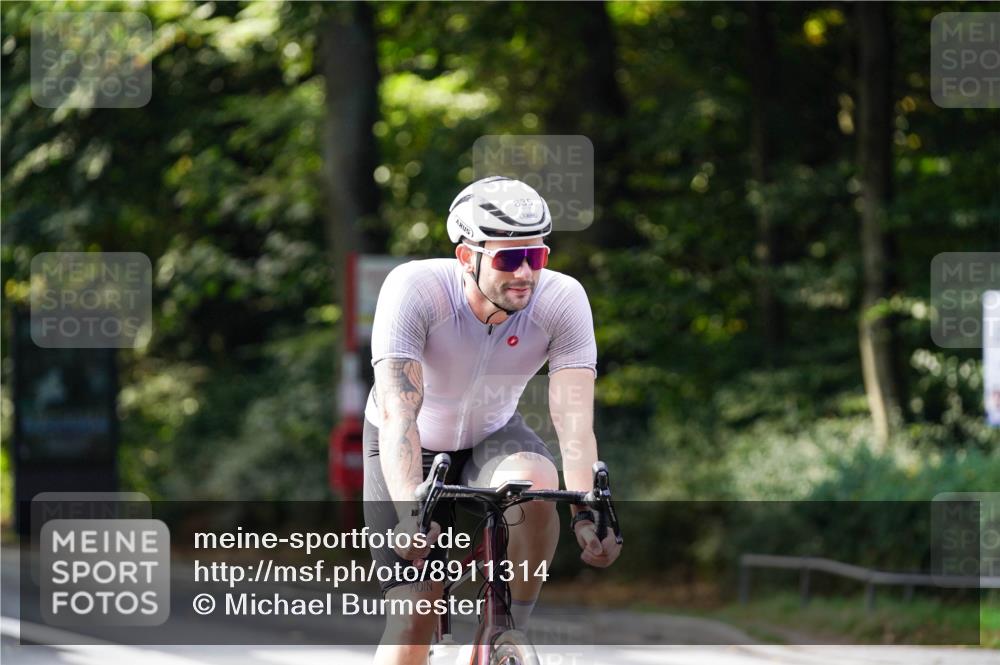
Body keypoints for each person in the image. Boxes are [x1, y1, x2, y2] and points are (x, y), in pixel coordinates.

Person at [363, 176, 622, 665]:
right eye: (508, 258)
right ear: (467, 257)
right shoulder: (415, 289)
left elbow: (573, 425)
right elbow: (401, 415)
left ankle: (506, 632)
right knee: (415, 611)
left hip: (492, 434)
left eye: (537, 257)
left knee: (539, 484)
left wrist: (586, 514)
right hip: (408, 443)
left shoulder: (563, 300)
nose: (525, 272)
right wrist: (408, 517)